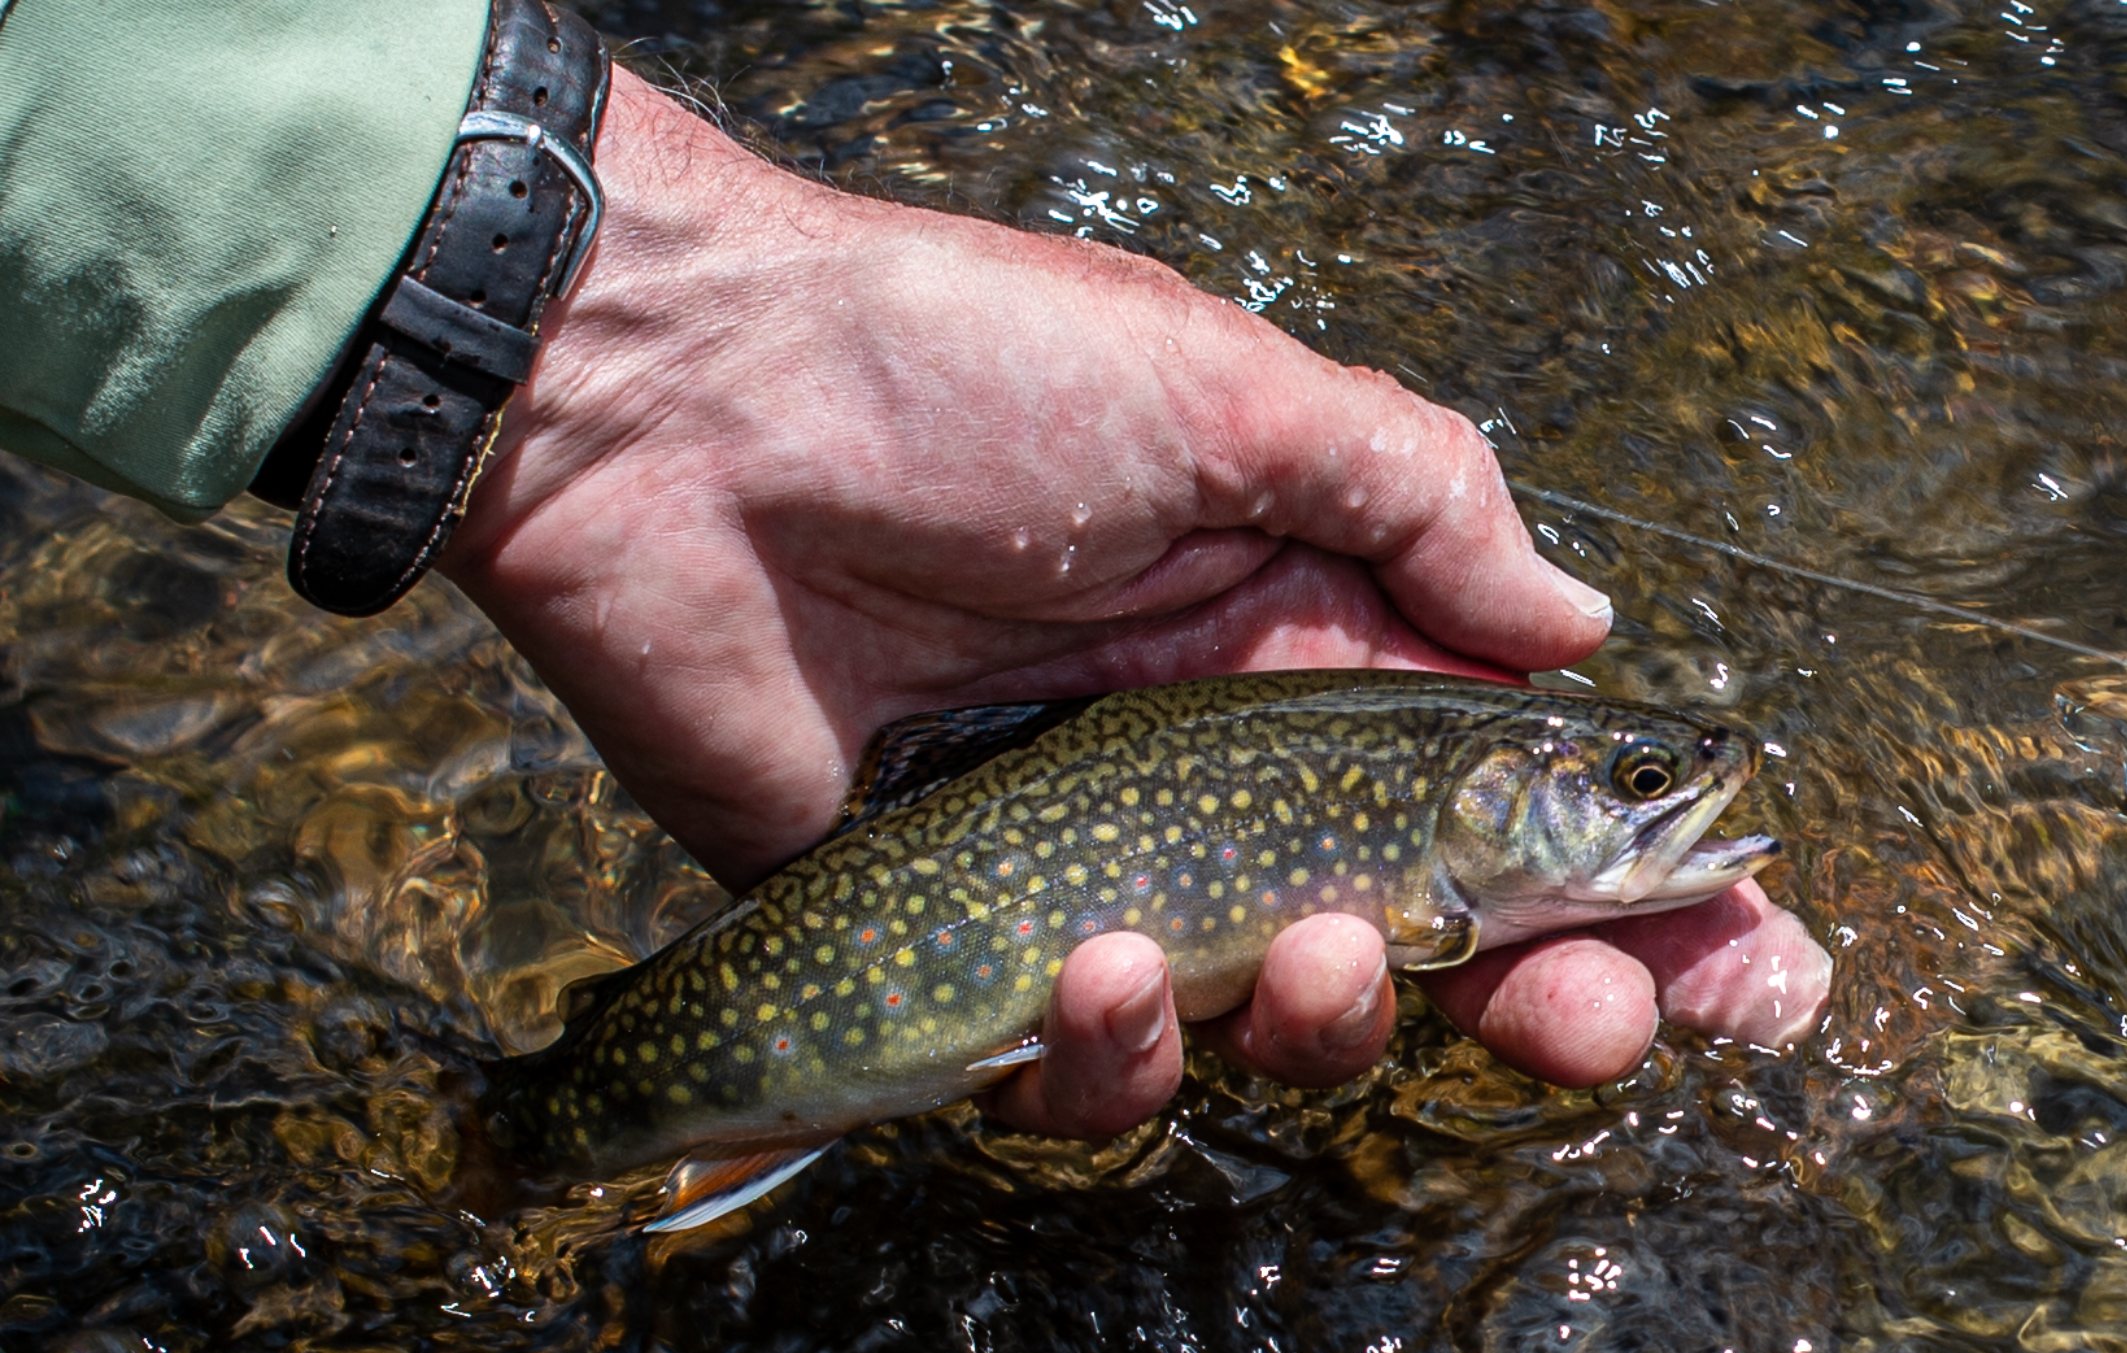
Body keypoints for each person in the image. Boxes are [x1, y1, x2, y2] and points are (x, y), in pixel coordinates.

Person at [0, 1, 1829, 1141]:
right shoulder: (1433, 889)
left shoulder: (1440, 865)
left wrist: (605, 357)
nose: (1677, 794)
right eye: (1639, 782)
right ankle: (533, 1137)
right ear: (1490, 789)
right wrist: (635, 364)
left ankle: (548, 1136)